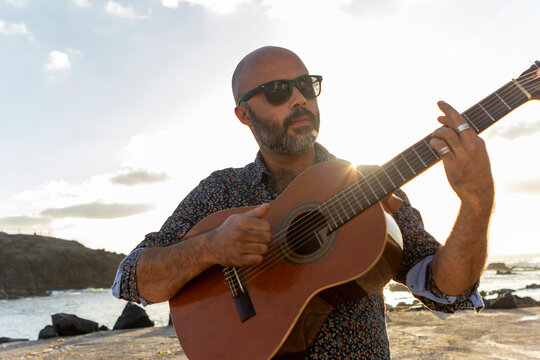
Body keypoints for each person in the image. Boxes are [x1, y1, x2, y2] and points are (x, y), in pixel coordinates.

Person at [113, 46, 494, 358]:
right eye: (278, 90)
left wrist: (476, 203)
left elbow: (445, 290)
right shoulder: (222, 191)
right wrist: (211, 247)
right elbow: (130, 279)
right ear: (243, 115)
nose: (298, 98)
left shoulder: (369, 184)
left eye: (306, 86)